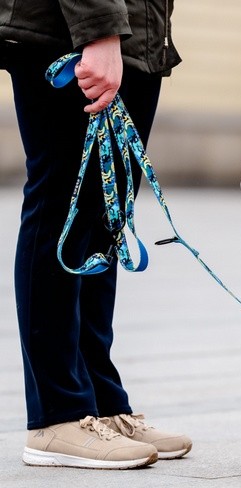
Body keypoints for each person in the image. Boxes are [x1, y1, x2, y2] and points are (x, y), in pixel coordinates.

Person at [0, 0, 192, 469]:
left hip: (137, 33)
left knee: (107, 217)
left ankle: (100, 404)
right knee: (62, 206)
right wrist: (100, 30)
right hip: (69, 28)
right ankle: (57, 414)